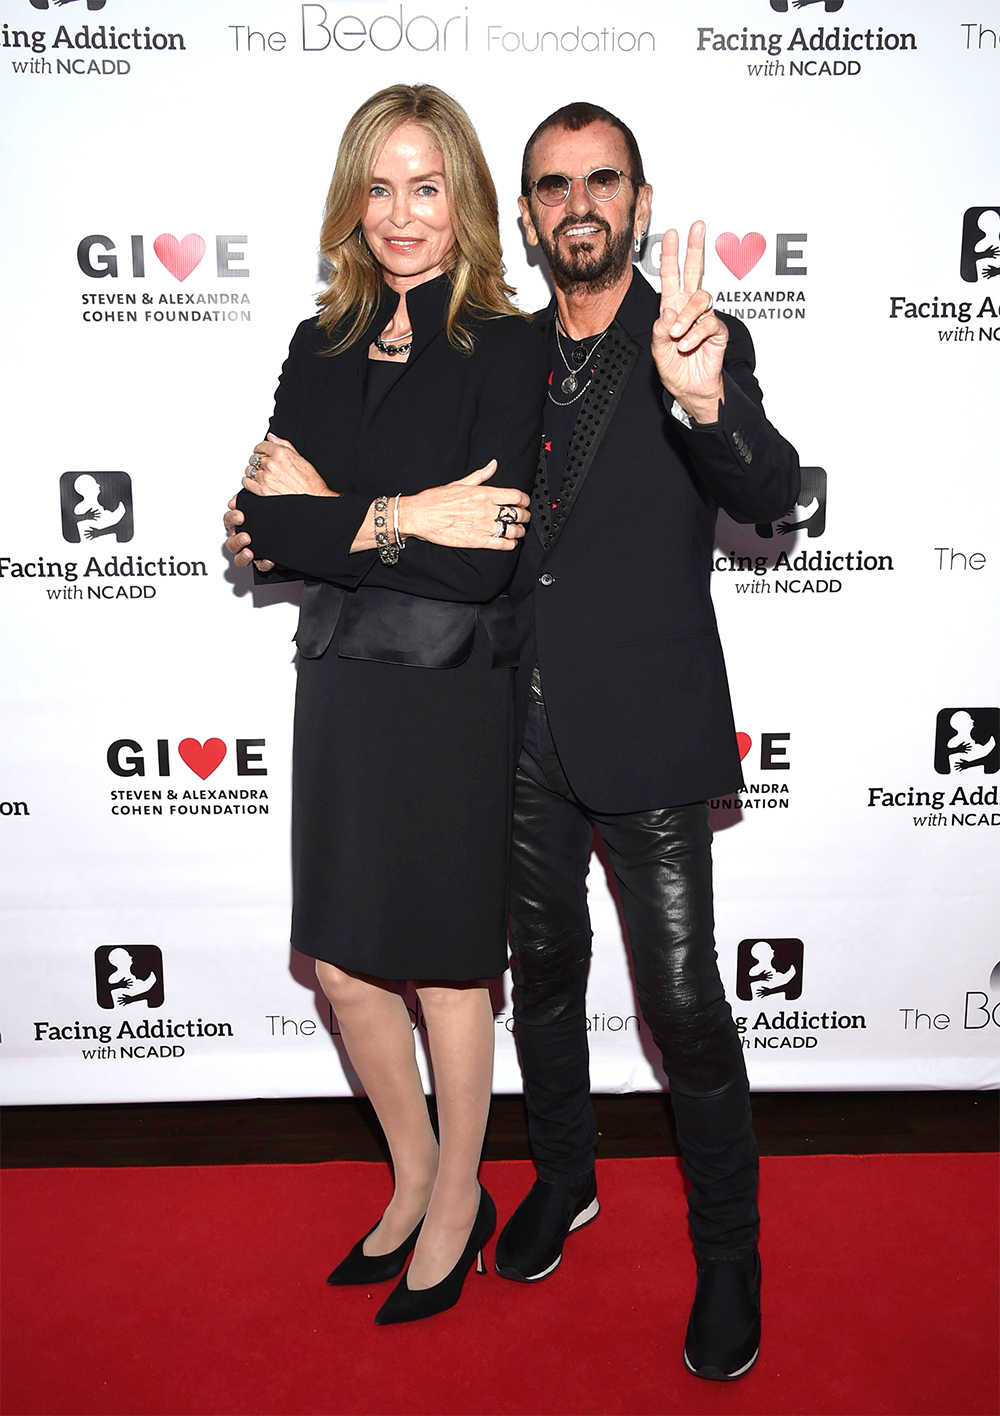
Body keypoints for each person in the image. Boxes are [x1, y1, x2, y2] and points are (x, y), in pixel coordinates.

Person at [227, 100, 800, 1379]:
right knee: (535, 981)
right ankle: (562, 1182)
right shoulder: (512, 344)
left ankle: (730, 1260)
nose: (578, 203)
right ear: (530, 215)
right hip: (508, 722)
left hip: (642, 730)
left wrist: (705, 407)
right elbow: (295, 513)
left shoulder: (689, 337)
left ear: (638, 206)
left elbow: (767, 492)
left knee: (685, 1008)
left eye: (603, 181)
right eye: (554, 185)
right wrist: (373, 514)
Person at [227, 83, 547, 1326]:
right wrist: (408, 512)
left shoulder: (507, 347)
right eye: (380, 186)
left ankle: (461, 1192)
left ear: (461, 198)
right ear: (351, 203)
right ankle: (409, 1172)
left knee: (449, 971)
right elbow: (262, 529)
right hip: (343, 681)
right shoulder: (320, 345)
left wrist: (334, 516)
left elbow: (486, 557)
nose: (402, 213)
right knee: (347, 970)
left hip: (454, 690)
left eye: (426, 186)